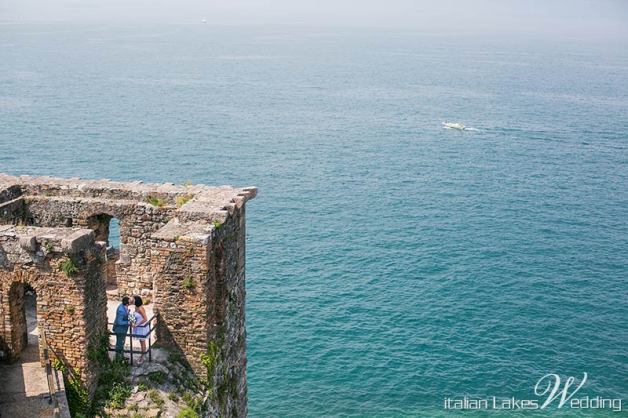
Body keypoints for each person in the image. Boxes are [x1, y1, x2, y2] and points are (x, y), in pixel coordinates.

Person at [132, 295, 150, 364]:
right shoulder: (136, 307)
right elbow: (136, 316)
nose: (132, 300)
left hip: (142, 327)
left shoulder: (140, 308)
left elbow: (145, 319)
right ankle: (142, 354)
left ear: (136, 300)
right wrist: (132, 321)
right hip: (138, 327)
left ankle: (143, 356)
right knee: (140, 341)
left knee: (142, 342)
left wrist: (137, 324)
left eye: (133, 299)